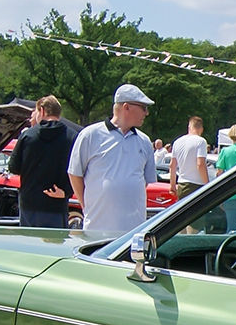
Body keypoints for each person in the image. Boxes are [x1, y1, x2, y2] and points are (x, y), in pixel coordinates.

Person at [68, 84, 155, 233]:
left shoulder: (145, 141)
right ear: (126, 107)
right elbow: (75, 174)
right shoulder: (90, 135)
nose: (146, 113)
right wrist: (87, 206)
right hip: (97, 228)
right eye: (143, 107)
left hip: (133, 230)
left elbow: (145, 181)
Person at [10, 95, 74, 228]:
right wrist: (66, 191)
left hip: (31, 203)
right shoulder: (72, 137)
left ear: (43, 111)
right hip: (57, 202)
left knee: (30, 244)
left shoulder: (28, 136)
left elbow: (14, 167)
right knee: (56, 244)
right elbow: (80, 169)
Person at [169, 116, 210, 198]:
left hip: (182, 184)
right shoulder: (201, 141)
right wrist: (207, 185)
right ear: (201, 128)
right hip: (197, 185)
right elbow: (200, 164)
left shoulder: (177, 142)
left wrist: (172, 185)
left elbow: (172, 165)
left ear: (189, 127)